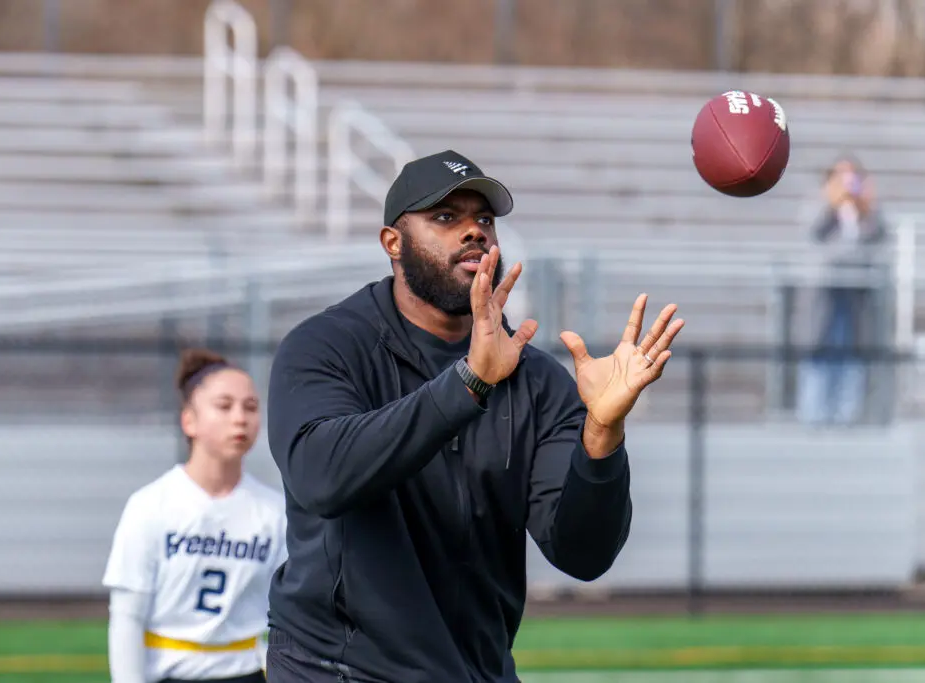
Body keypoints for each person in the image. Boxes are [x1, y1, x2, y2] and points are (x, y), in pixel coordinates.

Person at [264, 150, 685, 683]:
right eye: (446, 218)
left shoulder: (538, 379)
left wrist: (602, 435)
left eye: (483, 220)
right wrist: (469, 383)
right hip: (337, 669)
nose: (474, 232)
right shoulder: (325, 346)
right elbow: (320, 477)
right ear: (392, 242)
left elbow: (583, 555)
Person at [102, 348, 287, 683]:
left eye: (251, 407)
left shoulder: (275, 511)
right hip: (170, 673)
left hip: (246, 673)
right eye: (224, 406)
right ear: (189, 420)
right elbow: (127, 616)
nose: (240, 418)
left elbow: (289, 614)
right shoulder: (150, 505)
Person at [797, 154, 890, 426]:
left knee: (850, 353)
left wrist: (864, 208)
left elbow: (875, 242)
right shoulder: (820, 210)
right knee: (820, 352)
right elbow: (818, 243)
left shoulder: (867, 215)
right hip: (824, 295)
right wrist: (832, 205)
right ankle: (814, 414)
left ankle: (846, 414)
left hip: (855, 297)